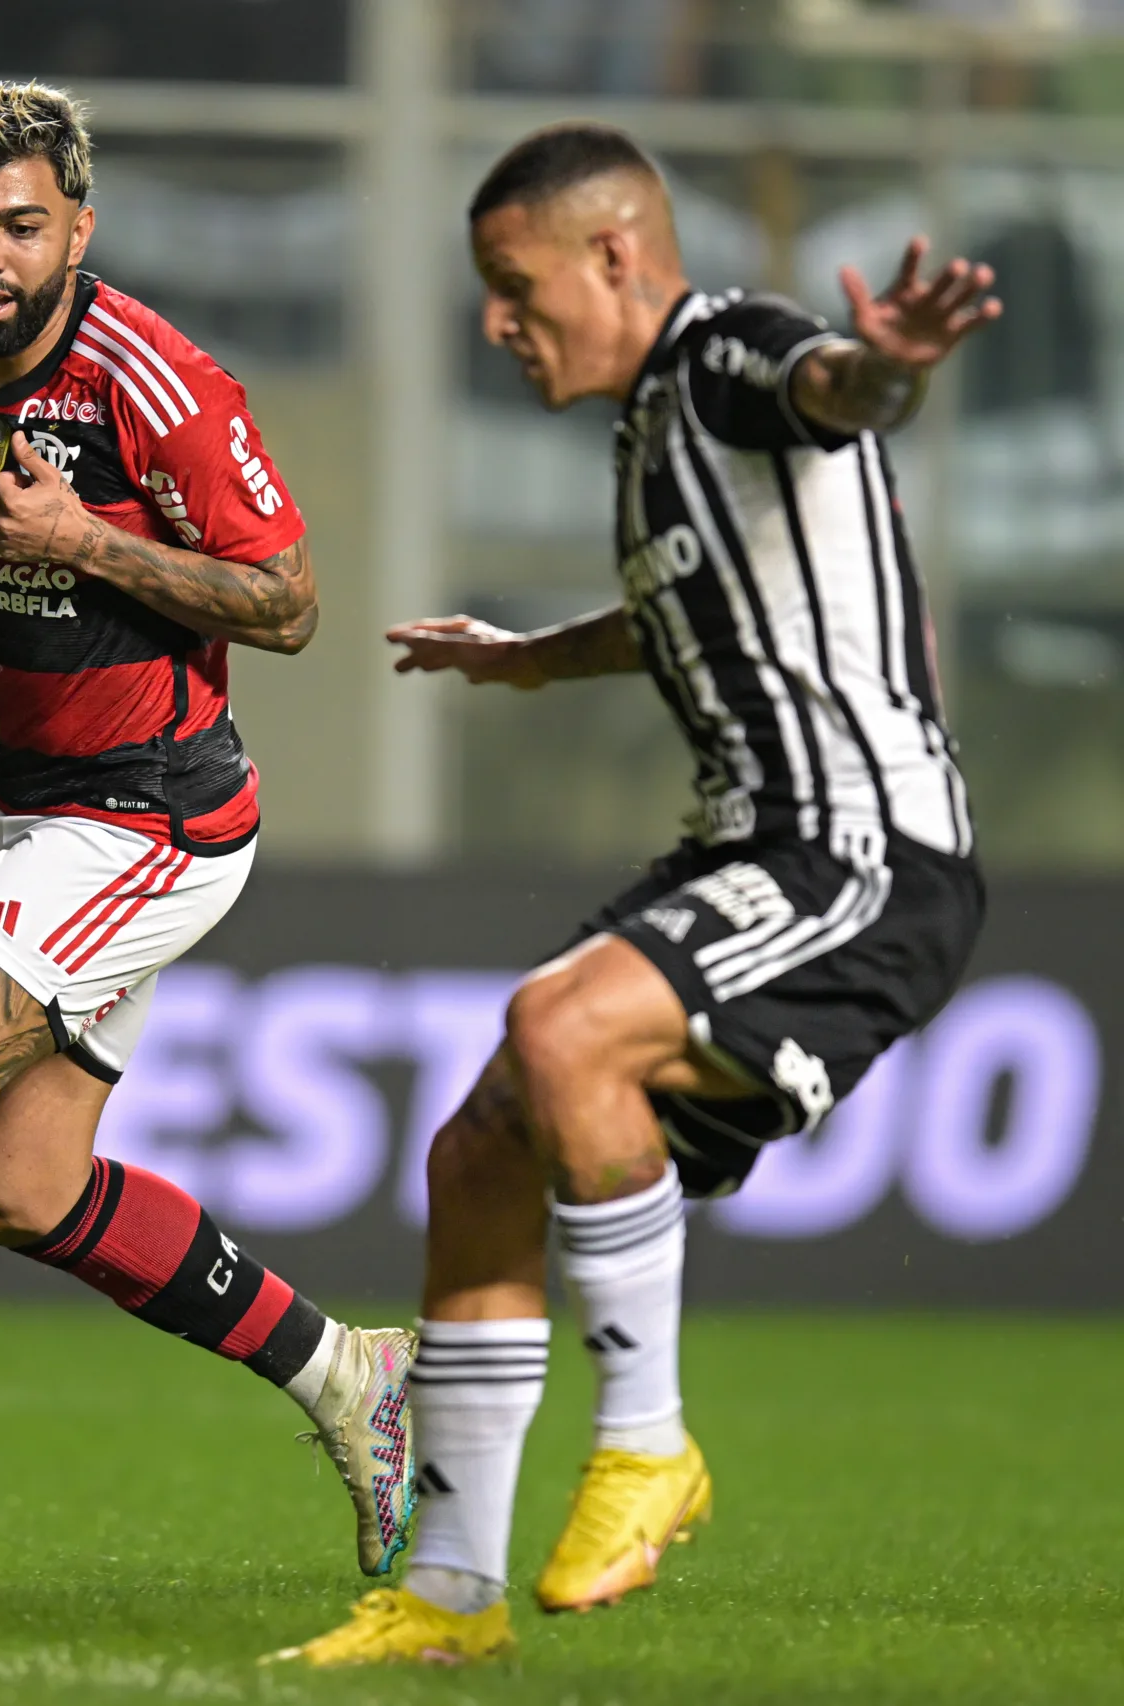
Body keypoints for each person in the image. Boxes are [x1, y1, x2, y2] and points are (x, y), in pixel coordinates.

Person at [283, 123, 992, 1667]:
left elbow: (833, 391)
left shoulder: (725, 352)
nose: (495, 319)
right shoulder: (654, 430)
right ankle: (448, 1596)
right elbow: (700, 601)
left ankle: (649, 1443)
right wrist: (535, 658)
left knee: (563, 1026)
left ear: (613, 254)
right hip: (754, 848)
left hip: (864, 851)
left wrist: (887, 365)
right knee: (478, 1147)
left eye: (511, 281)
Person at [0, 80, 415, 1576]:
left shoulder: (154, 381)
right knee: (28, 1186)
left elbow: (291, 603)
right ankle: (350, 1378)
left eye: (20, 225)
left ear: (79, 229)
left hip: (158, 819)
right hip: (43, 810)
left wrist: (88, 539)